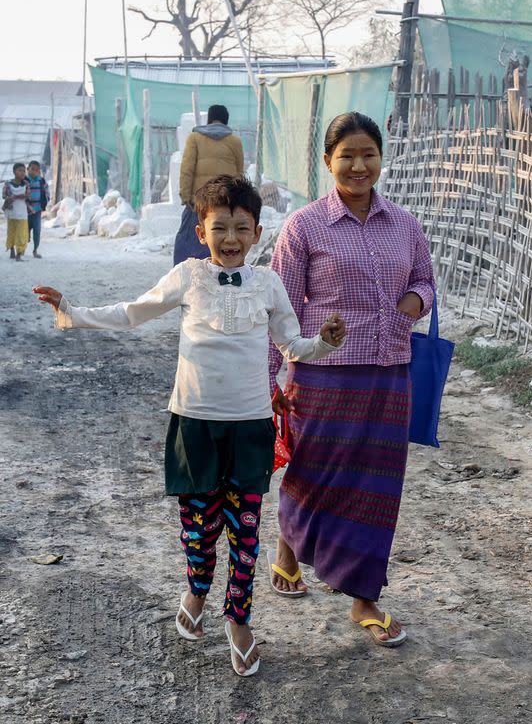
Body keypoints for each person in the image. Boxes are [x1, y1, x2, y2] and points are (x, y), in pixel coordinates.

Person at [33, 174, 346, 677]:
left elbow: (293, 347)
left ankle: (238, 620)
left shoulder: (269, 283)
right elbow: (134, 312)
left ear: (257, 232)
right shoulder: (188, 275)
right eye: (219, 227)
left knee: (246, 536)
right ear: (201, 232)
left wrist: (325, 341)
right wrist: (72, 311)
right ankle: (198, 591)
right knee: (200, 532)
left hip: (250, 430)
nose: (230, 238)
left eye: (241, 227)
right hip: (195, 426)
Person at [268, 112, 435, 648]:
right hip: (322, 375)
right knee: (313, 472)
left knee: (375, 487)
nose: (359, 166)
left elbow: (425, 280)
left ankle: (364, 596)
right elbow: (283, 310)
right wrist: (272, 377)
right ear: (327, 162)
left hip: (389, 373)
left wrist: (413, 303)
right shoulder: (304, 227)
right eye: (348, 156)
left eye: (369, 155)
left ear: (381, 158)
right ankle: (289, 547)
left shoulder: (405, 224)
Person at [173, 105, 244, 266]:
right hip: (226, 202)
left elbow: (187, 169)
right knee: (220, 238)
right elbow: (239, 174)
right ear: (226, 120)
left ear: (209, 119)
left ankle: (184, 275)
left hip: (199, 202)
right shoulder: (235, 141)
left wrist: (186, 196)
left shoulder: (195, 138)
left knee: (189, 240)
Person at [3, 162, 32, 261]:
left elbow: (28, 196)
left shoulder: (26, 184)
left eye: (24, 171)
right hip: (11, 212)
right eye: (20, 170)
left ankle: (18, 254)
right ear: (14, 172)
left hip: (22, 212)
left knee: (22, 233)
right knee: (11, 232)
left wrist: (15, 197)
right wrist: (11, 198)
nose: (22, 173)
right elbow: (4, 196)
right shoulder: (8, 184)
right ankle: (12, 251)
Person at [26, 160, 49, 259]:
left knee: (37, 232)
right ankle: (21, 249)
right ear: (28, 169)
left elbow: (47, 192)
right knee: (24, 232)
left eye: (37, 170)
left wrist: (45, 202)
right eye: (32, 169)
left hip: (37, 211)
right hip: (26, 212)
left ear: (39, 171)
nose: (34, 171)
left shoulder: (41, 180)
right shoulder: (25, 180)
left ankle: (35, 250)